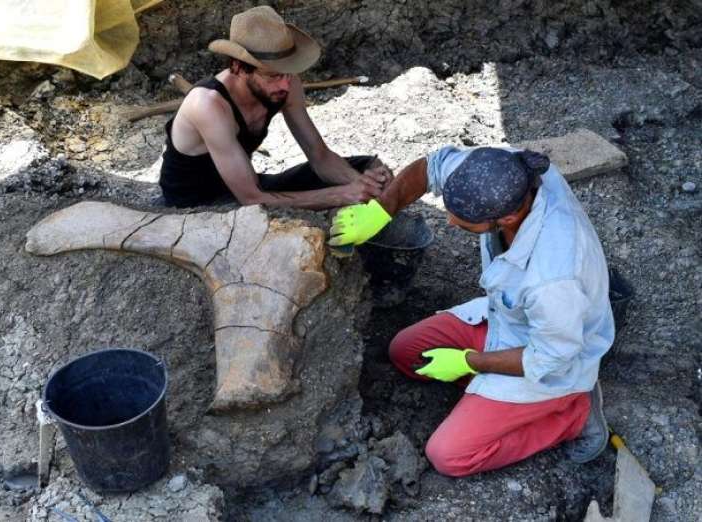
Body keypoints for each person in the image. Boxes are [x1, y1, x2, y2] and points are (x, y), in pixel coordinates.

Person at [329, 146, 614, 476]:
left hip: (554, 361)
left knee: (448, 455)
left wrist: (467, 361)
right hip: (508, 319)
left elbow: (551, 356)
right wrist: (379, 212)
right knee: (405, 353)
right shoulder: (502, 170)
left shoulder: (552, 277)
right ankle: (488, 395)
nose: (450, 220)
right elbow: (430, 167)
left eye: (463, 221)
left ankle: (574, 415)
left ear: (506, 218)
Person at [158, 6, 392, 209]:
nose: (285, 84)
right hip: (198, 206)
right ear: (239, 67)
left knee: (368, 168)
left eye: (287, 72)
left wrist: (360, 185)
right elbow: (251, 198)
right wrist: (342, 195)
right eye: (272, 75)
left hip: (246, 187)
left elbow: (319, 156)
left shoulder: (286, 83)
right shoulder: (208, 105)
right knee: (321, 204)